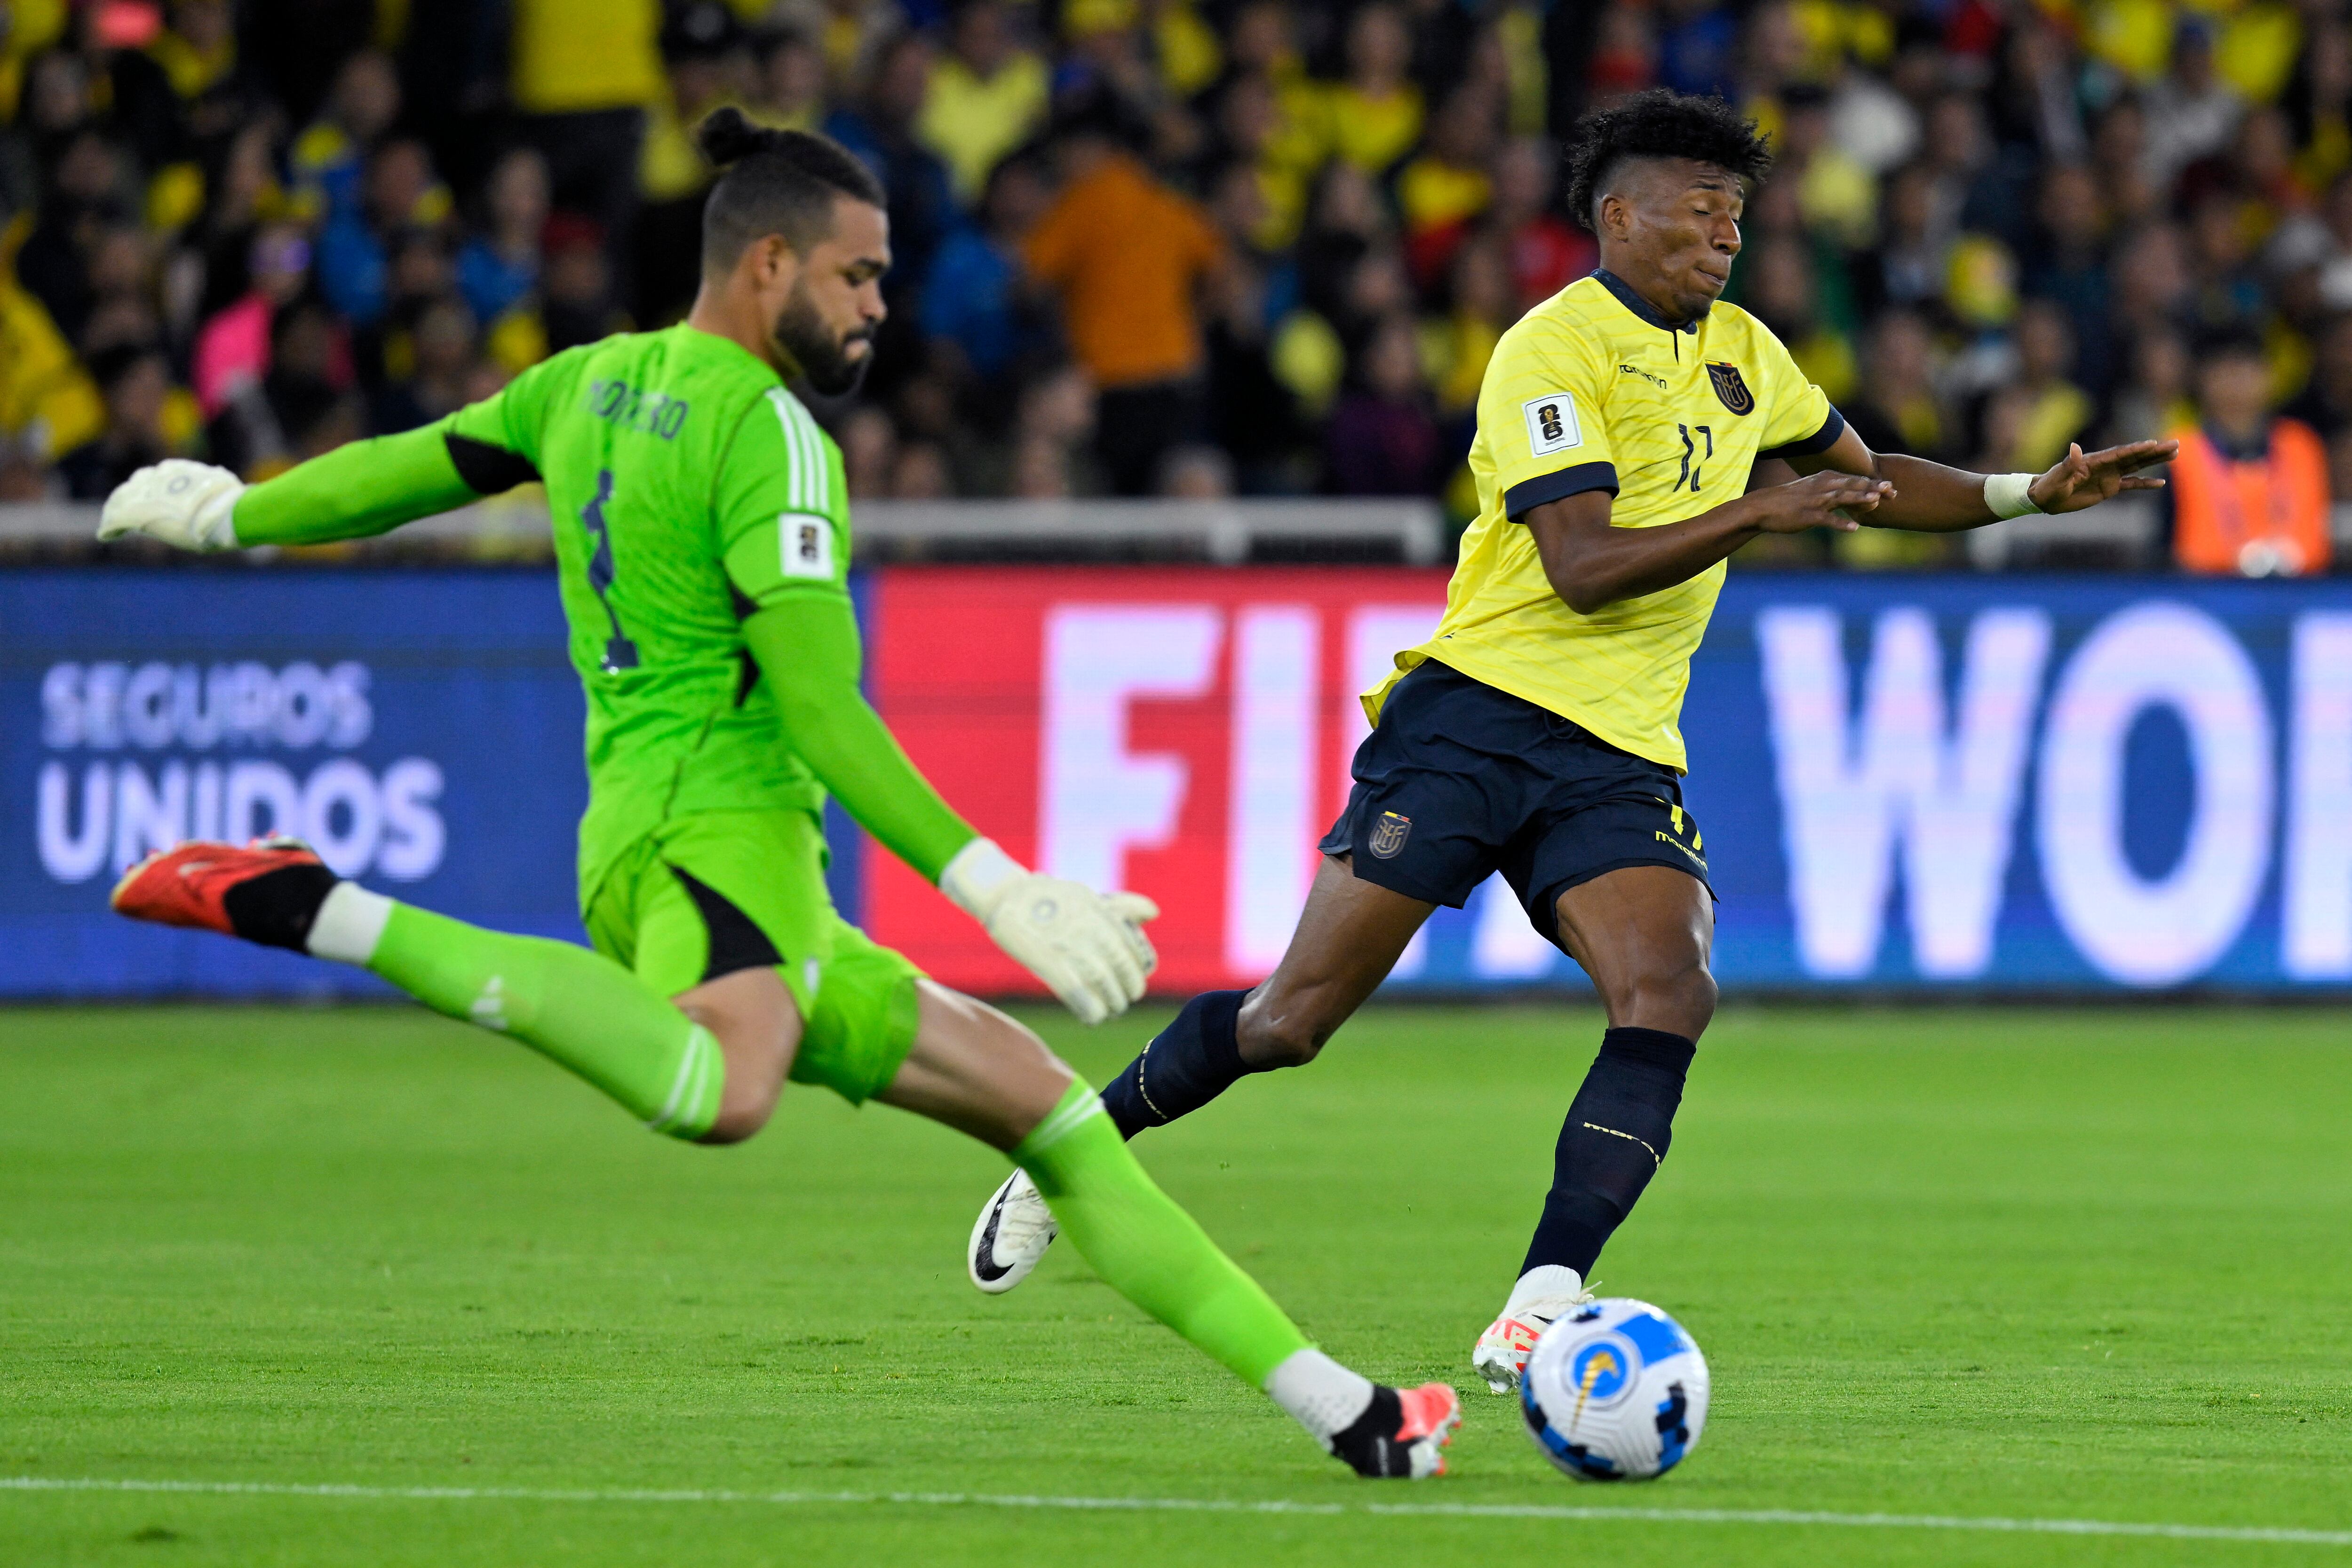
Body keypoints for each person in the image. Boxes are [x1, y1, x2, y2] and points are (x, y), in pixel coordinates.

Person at [93, 107, 1458, 1481]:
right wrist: (998, 885)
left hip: (693, 857)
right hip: (717, 844)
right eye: (855, 277)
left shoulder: (586, 383)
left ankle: (1350, 1411)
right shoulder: (770, 435)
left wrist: (232, 514)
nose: (877, 307)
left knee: (1053, 1117)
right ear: (766, 265)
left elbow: (410, 469)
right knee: (720, 1090)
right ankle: (322, 909)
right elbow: (818, 708)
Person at [965, 87, 2175, 1395]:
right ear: (1618, 214)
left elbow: (1870, 474)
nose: (1724, 229)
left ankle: (1542, 1303)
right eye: (1698, 206)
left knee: (1671, 990)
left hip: (1615, 752)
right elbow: (1587, 565)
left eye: (1737, 210)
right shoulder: (1552, 350)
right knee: (1292, 1018)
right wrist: (1762, 509)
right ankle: (1070, 1141)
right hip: (1478, 716)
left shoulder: (1748, 351)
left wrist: (2022, 493)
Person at [2169, 329, 2330, 577]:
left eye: (2246, 368)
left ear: (2268, 375)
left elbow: (2315, 535)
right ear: (2201, 380)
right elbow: (2166, 542)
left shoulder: (2301, 444)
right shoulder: (2181, 451)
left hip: (2298, 590)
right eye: (2224, 370)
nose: (2236, 381)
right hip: (2205, 591)